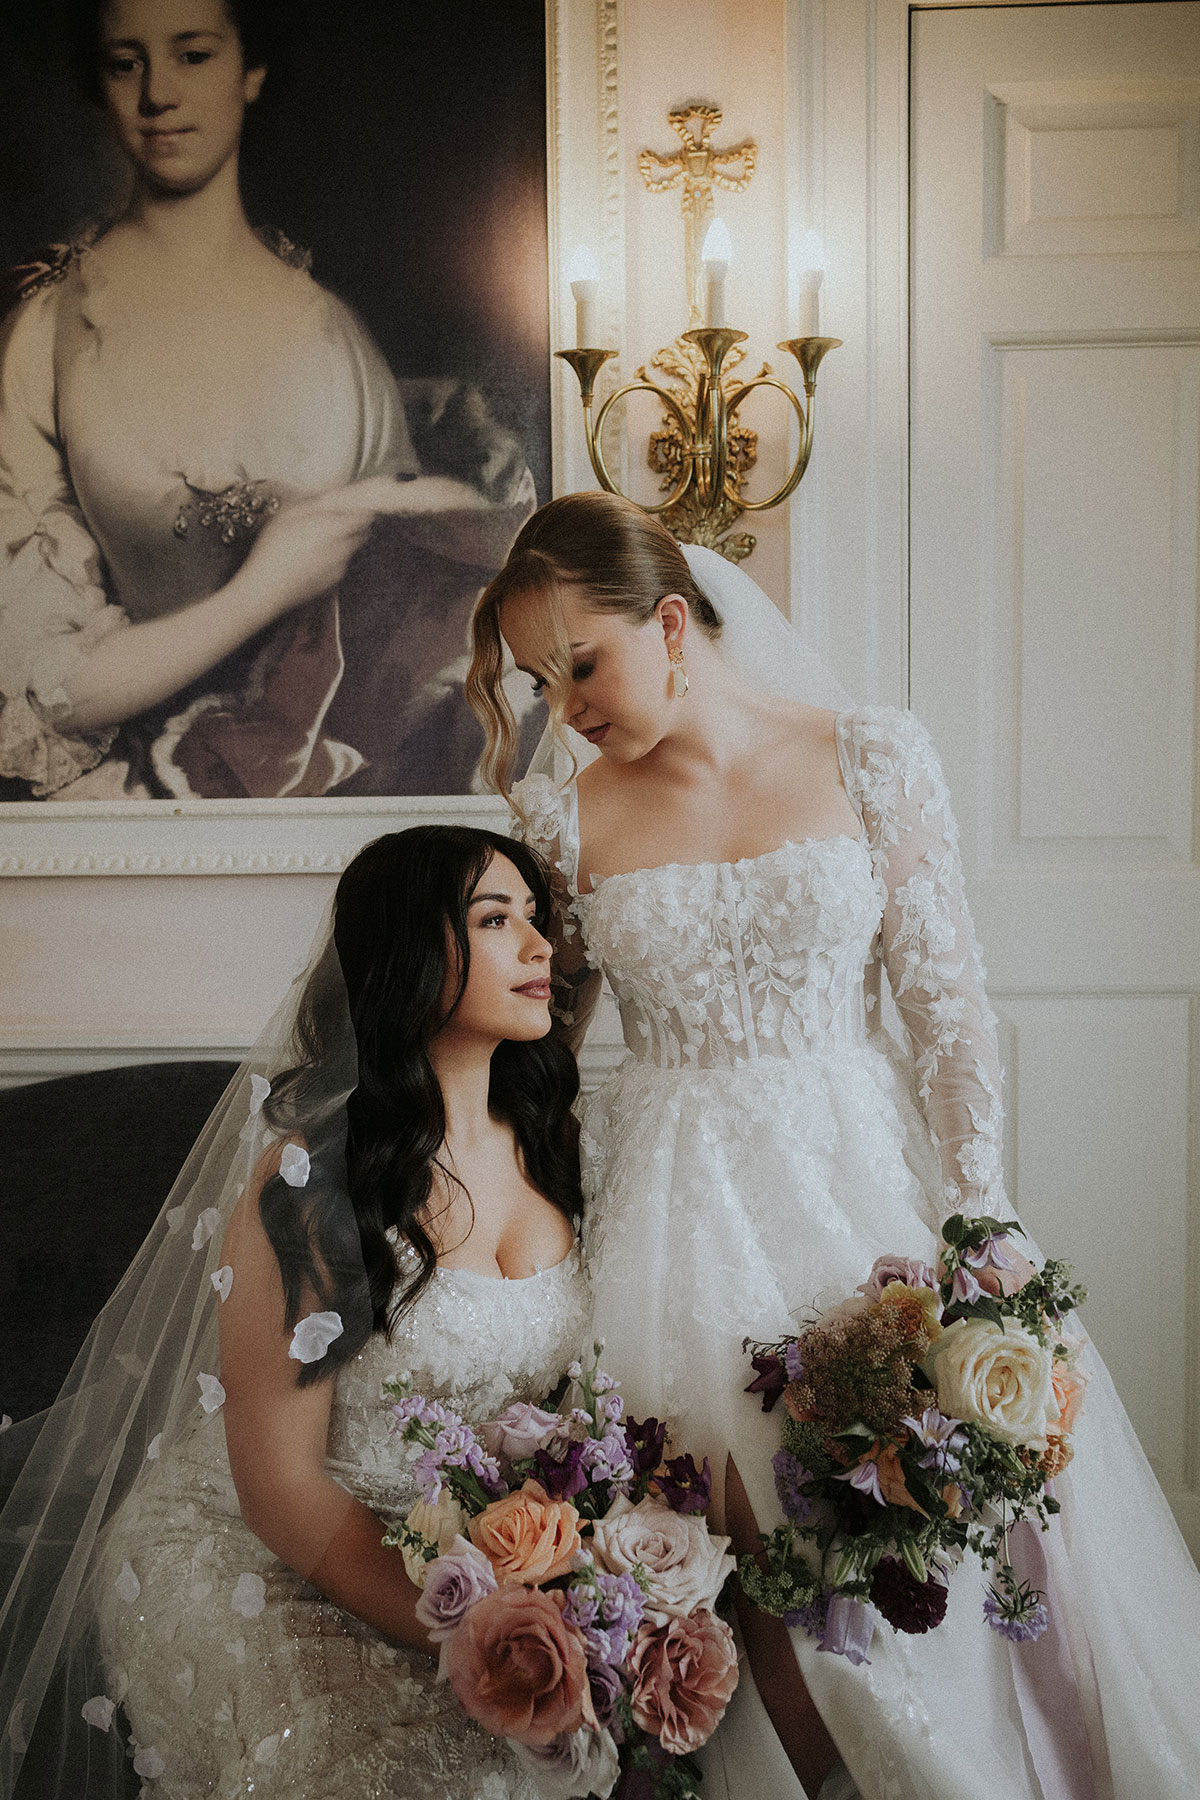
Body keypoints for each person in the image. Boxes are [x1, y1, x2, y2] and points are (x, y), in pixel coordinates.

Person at [465, 490, 1200, 1800]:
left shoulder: (870, 755)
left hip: (861, 1193)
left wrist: (977, 1221)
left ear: (671, 624)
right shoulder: (561, 823)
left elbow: (946, 1012)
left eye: (580, 665)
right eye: (538, 682)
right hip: (673, 1221)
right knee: (744, 1564)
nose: (564, 707)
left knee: (926, 1538)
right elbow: (539, 1052)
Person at [0, 823, 589, 1798]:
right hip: (252, 1548)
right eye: (496, 920)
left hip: (451, 1553)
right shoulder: (313, 1178)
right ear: (411, 953)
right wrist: (463, 1626)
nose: (540, 946)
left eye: (537, 916)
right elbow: (279, 1489)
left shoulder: (561, 1145)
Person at [0, 0, 534, 801]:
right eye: (125, 63)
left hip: (328, 796)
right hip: (121, 812)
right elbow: (44, 687)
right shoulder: (48, 334)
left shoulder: (331, 334)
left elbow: (411, 618)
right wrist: (260, 590)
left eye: (193, 55)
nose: (157, 95)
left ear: (250, 70)